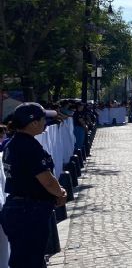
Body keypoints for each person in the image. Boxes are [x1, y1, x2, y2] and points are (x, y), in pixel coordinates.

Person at [0, 103, 67, 268]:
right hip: (29, 210)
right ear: (33, 122)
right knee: (29, 261)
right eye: (43, 119)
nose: (45, 122)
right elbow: (46, 179)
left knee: (24, 258)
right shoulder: (28, 146)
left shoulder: (13, 143)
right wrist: (60, 193)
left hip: (18, 208)